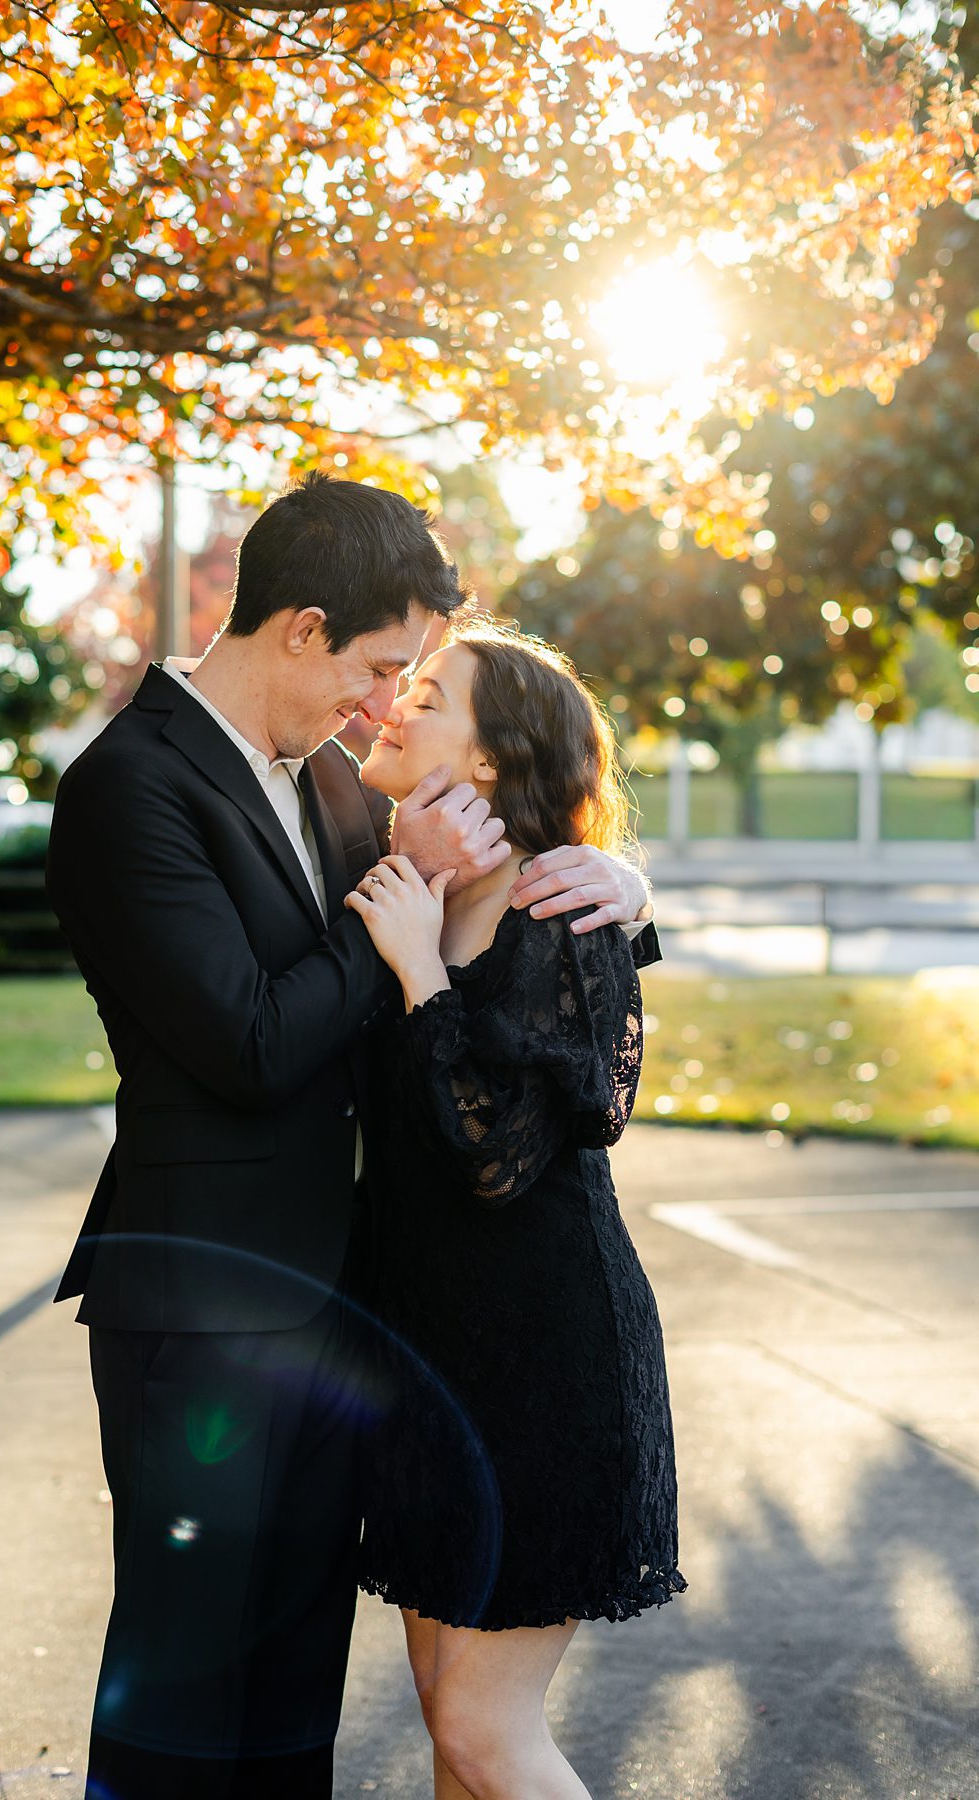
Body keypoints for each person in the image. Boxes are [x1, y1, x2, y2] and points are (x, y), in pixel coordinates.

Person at [45, 473, 656, 1800]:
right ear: (305, 627)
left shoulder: (329, 779)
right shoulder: (129, 788)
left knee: (290, 1689)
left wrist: (628, 885)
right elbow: (256, 1040)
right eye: (381, 665)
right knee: (183, 1674)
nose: (384, 702)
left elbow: (508, 909)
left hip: (348, 1315)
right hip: (207, 1305)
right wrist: (406, 896)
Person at [346, 618, 685, 1800]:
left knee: (486, 1733)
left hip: (544, 1370)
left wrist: (421, 976)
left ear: (487, 760)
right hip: (432, 1365)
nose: (395, 698)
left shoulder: (560, 910)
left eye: (429, 692)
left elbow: (505, 1157)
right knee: (452, 1733)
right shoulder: (402, 874)